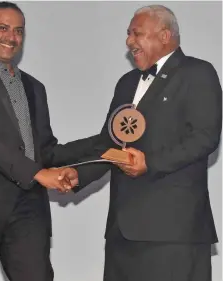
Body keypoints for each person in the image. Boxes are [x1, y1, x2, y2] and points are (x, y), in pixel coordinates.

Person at [60, 4, 222, 281]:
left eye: (137, 34)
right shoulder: (126, 83)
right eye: (128, 34)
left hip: (173, 233)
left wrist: (151, 163)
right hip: (122, 233)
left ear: (164, 36)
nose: (129, 41)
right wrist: (78, 174)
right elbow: (110, 145)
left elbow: (205, 137)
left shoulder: (198, 72)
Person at [0, 2, 99, 281]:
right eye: (2, 28)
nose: (11, 37)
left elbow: (47, 151)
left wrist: (103, 143)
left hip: (28, 209)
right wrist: (38, 174)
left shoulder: (35, 87)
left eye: (18, 31)